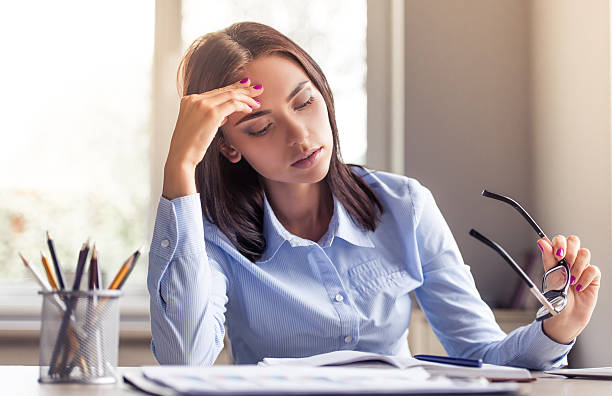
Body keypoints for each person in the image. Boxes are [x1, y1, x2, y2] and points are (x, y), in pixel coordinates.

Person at [148, 21, 601, 369]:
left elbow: (481, 354)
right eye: (261, 127)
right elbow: (185, 361)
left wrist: (557, 329)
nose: (301, 137)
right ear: (227, 146)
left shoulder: (405, 207)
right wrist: (180, 167)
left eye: (305, 103)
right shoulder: (213, 236)